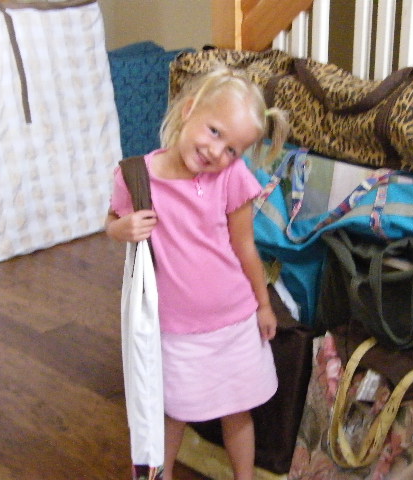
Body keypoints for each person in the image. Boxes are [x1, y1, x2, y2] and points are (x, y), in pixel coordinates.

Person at [106, 66, 290, 480]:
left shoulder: (231, 177)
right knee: (172, 413)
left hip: (235, 320)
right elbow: (112, 220)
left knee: (238, 411)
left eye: (232, 149)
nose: (216, 152)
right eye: (214, 131)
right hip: (177, 330)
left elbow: (245, 247)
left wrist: (263, 305)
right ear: (189, 110)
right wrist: (120, 230)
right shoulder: (135, 177)